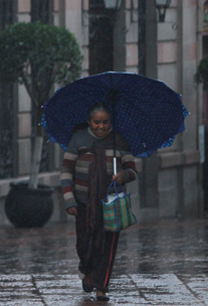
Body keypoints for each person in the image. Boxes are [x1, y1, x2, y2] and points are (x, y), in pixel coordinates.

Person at [60, 103, 138, 302]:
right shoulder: (78, 140)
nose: (101, 126)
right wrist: (69, 199)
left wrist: (123, 175)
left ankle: (101, 286)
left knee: (107, 246)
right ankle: (87, 271)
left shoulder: (118, 141)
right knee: (84, 245)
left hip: (111, 204)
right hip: (83, 203)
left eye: (105, 122)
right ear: (89, 122)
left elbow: (132, 170)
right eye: (97, 122)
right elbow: (66, 171)